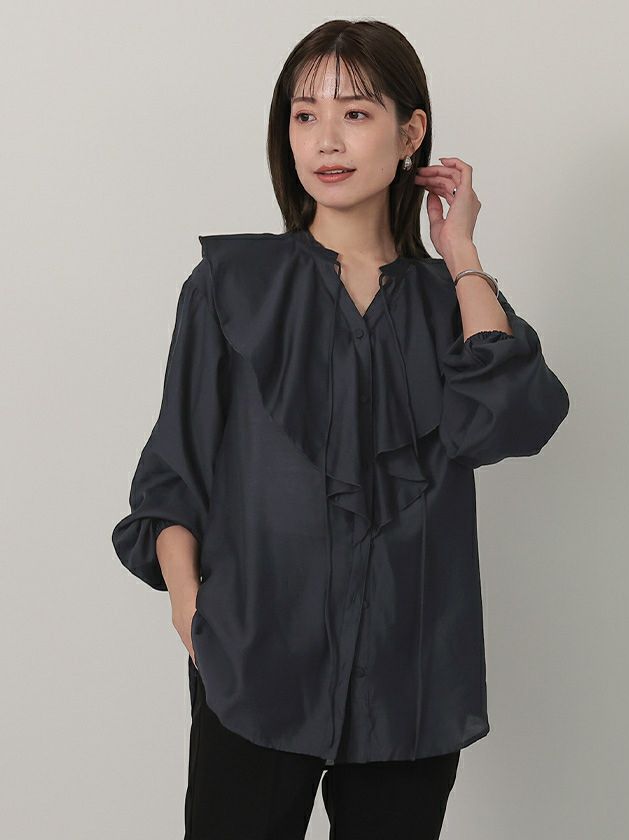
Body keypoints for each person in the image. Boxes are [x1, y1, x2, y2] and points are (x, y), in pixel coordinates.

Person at [111, 18, 570, 840]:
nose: (326, 138)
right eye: (304, 114)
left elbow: (504, 422)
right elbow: (173, 471)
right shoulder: (231, 287)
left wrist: (461, 251)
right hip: (254, 661)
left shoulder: (453, 303)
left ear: (411, 132)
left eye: (355, 113)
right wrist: (192, 611)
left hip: (410, 674)